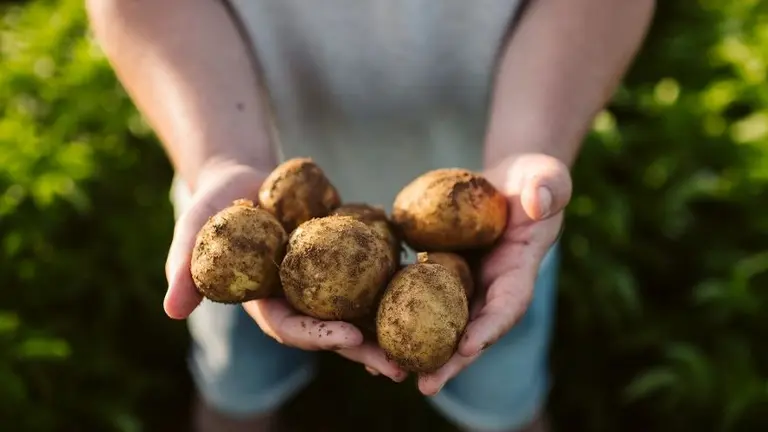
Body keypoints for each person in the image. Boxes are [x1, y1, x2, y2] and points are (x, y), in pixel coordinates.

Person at [86, 0, 655, 430]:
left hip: (504, 215)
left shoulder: (486, 230)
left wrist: (530, 142)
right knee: (235, 383)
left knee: (502, 382)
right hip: (247, 176)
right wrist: (218, 154)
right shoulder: (260, 222)